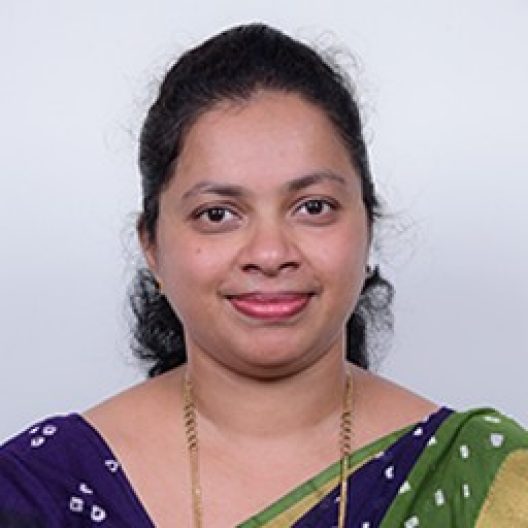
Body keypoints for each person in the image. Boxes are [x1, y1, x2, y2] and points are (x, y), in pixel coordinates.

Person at [1, 23, 527, 528]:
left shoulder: (481, 479)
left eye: (313, 207)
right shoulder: (40, 489)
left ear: (368, 227)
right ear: (152, 247)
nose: (271, 254)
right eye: (217, 214)